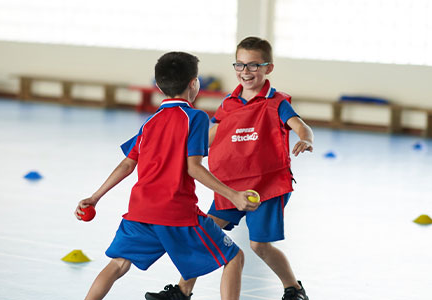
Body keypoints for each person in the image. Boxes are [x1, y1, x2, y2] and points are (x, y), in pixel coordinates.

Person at [76, 51, 260, 300]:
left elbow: (127, 165)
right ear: (194, 83)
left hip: (140, 212)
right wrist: (234, 195)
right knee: (234, 258)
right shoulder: (195, 118)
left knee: (118, 265)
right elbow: (193, 167)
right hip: (177, 213)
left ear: (159, 86)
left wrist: (95, 197)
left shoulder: (150, 122)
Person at [147, 37, 313, 300]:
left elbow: (299, 125)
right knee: (204, 233)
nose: (245, 71)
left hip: (268, 187)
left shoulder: (277, 102)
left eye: (254, 65)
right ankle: (181, 291)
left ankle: (293, 289)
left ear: (268, 68)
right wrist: (179, 153)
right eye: (240, 65)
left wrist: (305, 139)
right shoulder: (228, 103)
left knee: (259, 245)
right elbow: (213, 133)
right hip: (231, 185)